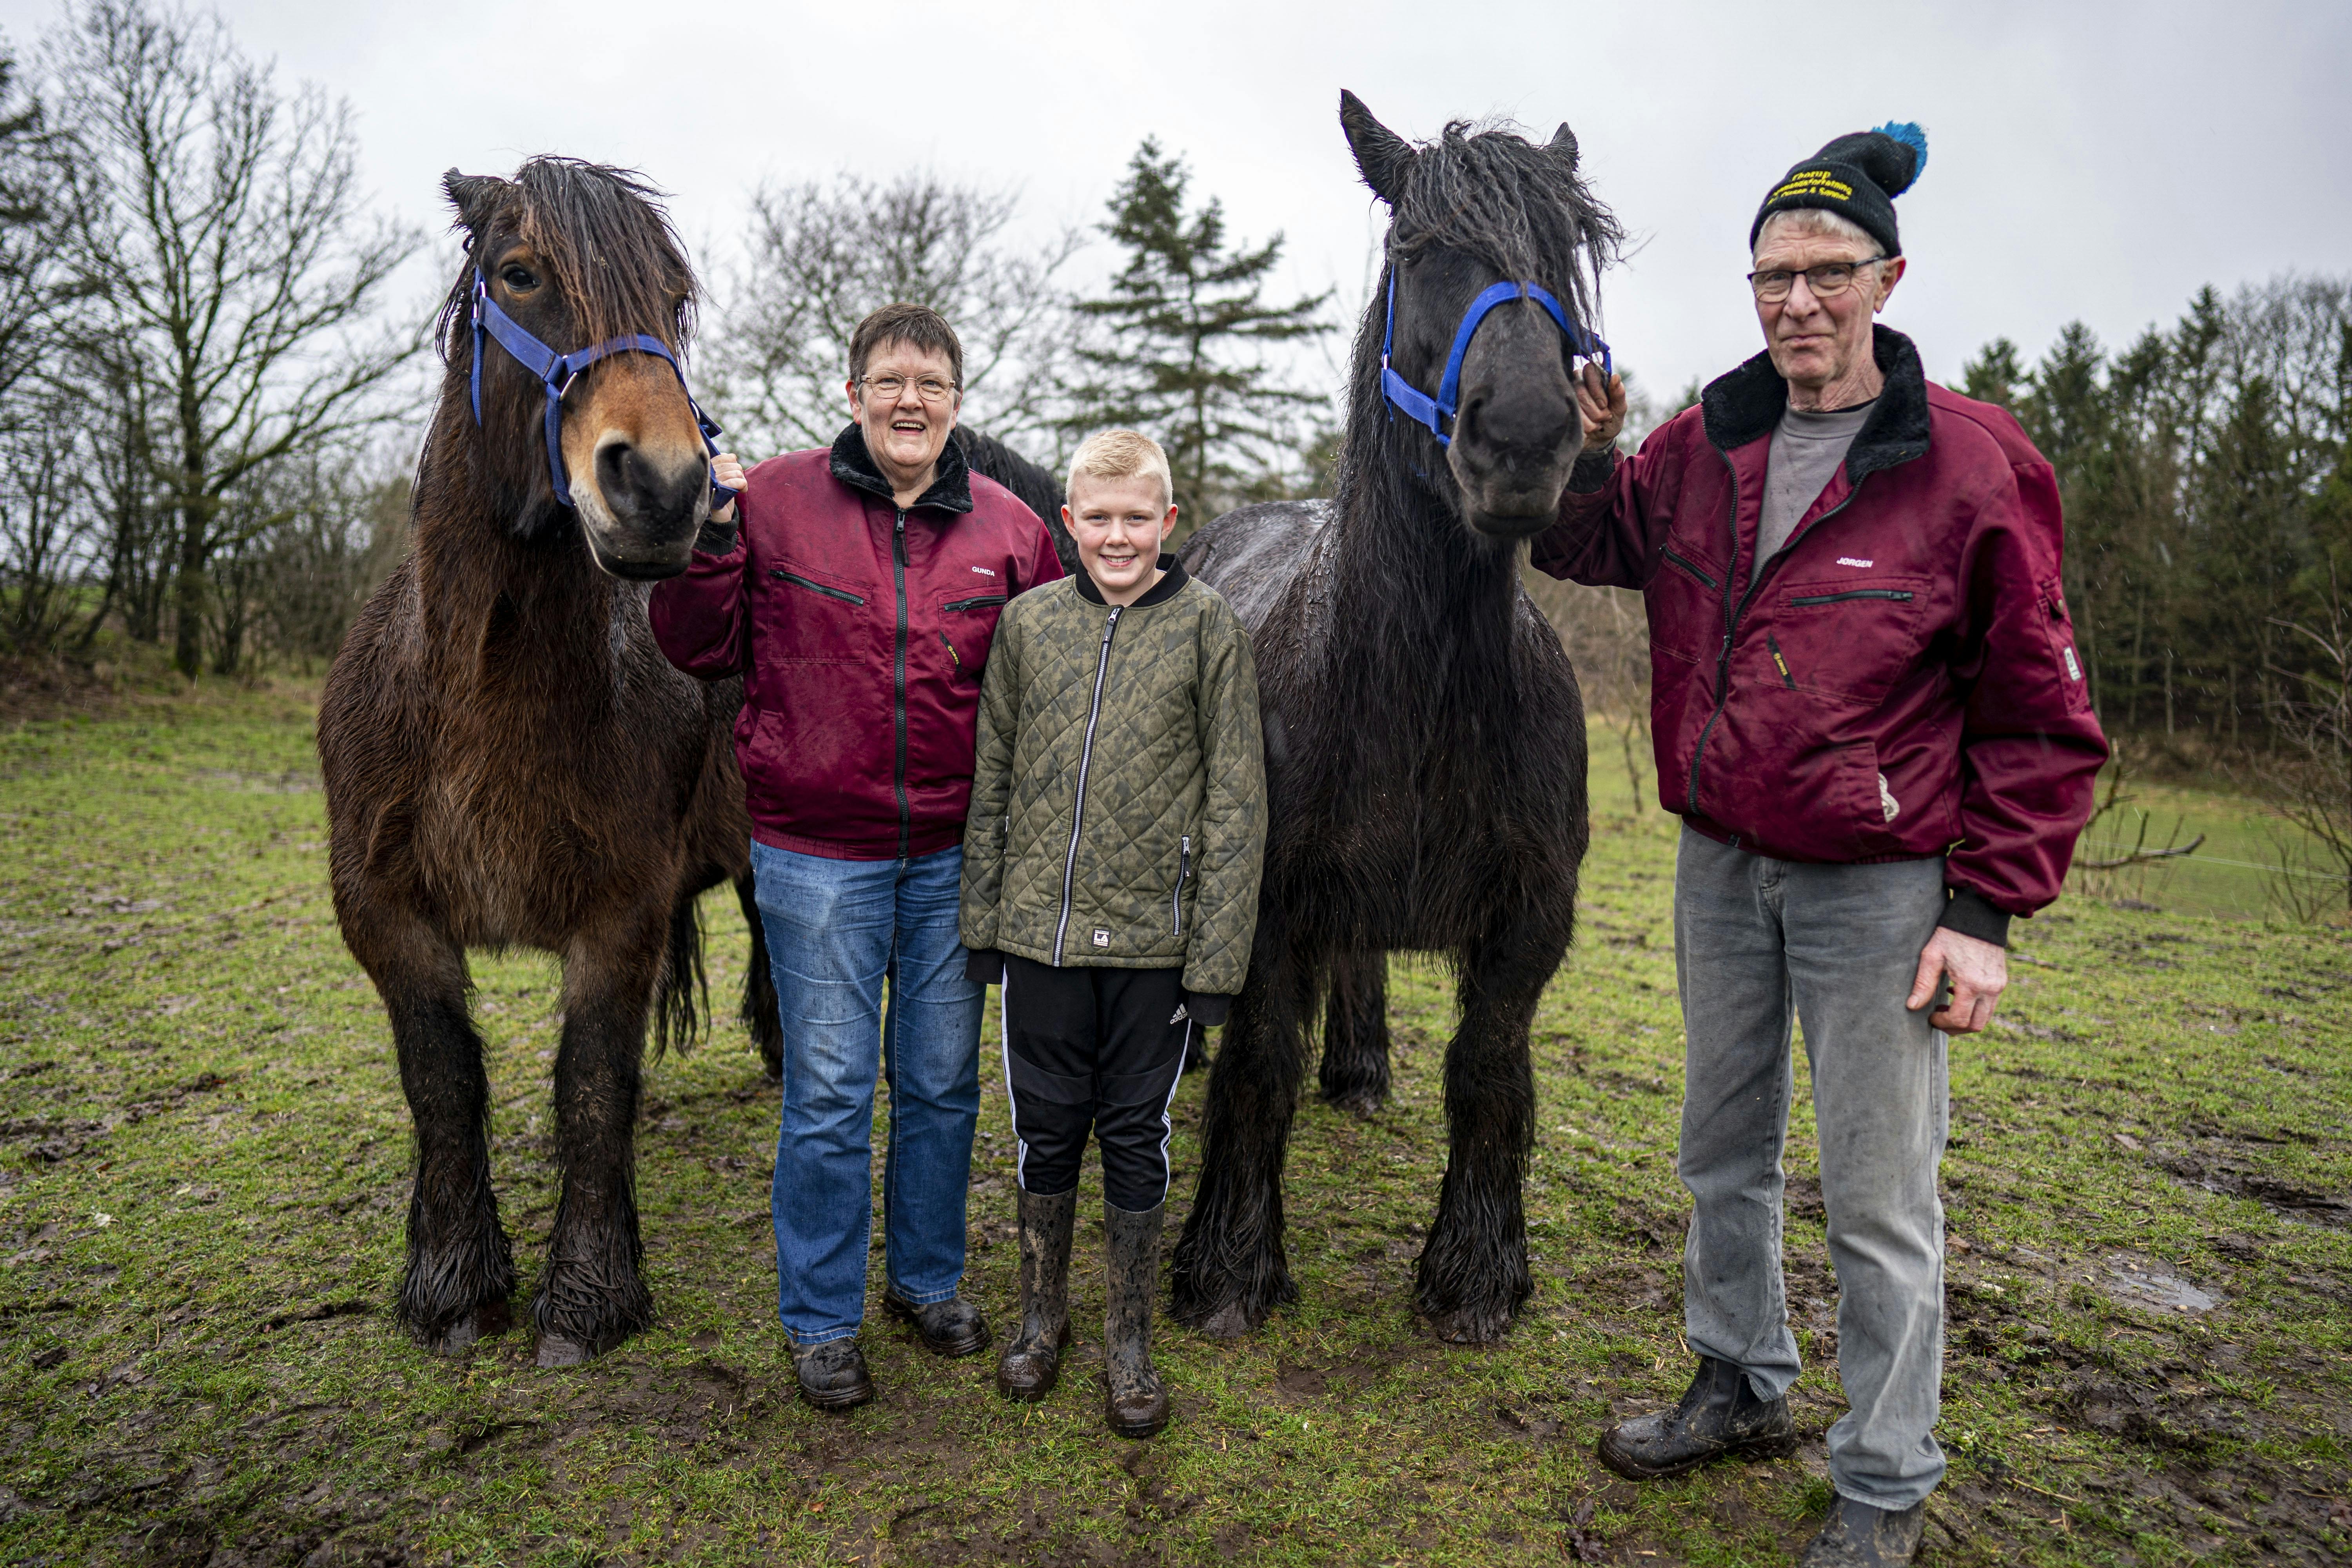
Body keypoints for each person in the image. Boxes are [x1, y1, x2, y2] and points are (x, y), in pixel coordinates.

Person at [1533, 126, 2107, 1566]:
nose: (1797, 300)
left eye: (1826, 272)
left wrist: (1983, 910)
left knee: (1878, 1198)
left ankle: (1884, 1481)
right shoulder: (1703, 440)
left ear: (1887, 277)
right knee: (1721, 1148)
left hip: (1883, 889)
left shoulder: (1972, 466)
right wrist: (1591, 452)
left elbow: (2040, 716)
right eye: (1773, 275)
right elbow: (1585, 549)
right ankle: (1737, 1376)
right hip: (1723, 862)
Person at [651, 303, 1065, 1411]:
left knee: (938, 1084)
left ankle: (926, 1285)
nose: (910, 400)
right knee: (830, 1093)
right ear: (853, 396)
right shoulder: (773, 502)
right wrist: (712, 542)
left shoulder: (1013, 533)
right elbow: (693, 645)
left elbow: (1052, 692)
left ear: (958, 404)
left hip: (949, 859)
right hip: (812, 856)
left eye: (931, 383)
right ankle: (823, 1318)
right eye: (889, 380)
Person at [957, 429, 1266, 1439]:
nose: (1119, 535)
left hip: (1154, 947)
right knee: (1045, 1129)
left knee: (1135, 1131)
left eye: (1139, 517)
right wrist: (985, 923)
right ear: (1070, 524)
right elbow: (992, 779)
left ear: (1168, 522)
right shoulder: (1027, 625)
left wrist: (1215, 964)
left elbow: (1236, 801)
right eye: (1100, 517)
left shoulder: (1210, 627)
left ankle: (1129, 1336)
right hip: (1040, 939)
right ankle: (1042, 1314)